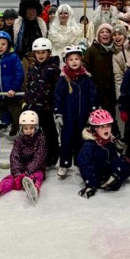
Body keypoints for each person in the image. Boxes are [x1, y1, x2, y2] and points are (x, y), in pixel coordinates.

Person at [0, 110, 46, 204]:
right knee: (11, 179)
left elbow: (39, 157)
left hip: (36, 169)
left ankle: (34, 189)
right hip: (21, 168)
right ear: (21, 129)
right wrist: (16, 172)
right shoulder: (18, 140)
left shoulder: (41, 139)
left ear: (36, 128)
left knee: (37, 176)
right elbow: (14, 156)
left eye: (31, 128)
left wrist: (28, 171)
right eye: (26, 128)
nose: (28, 131)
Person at [54, 45, 96, 178]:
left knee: (81, 139)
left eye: (77, 59)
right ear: (66, 61)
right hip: (68, 116)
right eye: (71, 59)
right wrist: (58, 113)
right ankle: (64, 164)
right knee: (66, 140)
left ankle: (80, 163)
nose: (74, 61)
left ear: (81, 60)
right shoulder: (63, 79)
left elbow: (92, 95)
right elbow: (58, 97)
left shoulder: (86, 79)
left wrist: (93, 110)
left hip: (83, 116)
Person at [75, 109, 130, 198]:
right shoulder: (89, 146)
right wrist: (90, 185)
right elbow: (85, 165)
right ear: (94, 129)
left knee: (126, 167)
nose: (106, 129)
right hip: (97, 174)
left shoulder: (108, 142)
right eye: (102, 127)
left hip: (106, 169)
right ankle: (114, 177)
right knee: (115, 184)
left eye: (108, 126)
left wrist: (116, 171)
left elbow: (113, 158)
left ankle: (118, 173)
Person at [23, 38, 61, 169]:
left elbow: (58, 89)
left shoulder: (54, 68)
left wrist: (56, 106)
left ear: (49, 53)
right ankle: (33, 156)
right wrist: (27, 102)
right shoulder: (32, 67)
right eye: (38, 52)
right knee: (33, 133)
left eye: (43, 52)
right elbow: (28, 85)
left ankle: (52, 157)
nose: (40, 55)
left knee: (50, 133)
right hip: (33, 106)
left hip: (47, 107)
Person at [84, 23, 118, 123]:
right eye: (102, 32)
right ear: (98, 35)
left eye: (108, 32)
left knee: (110, 119)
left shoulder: (116, 50)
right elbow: (84, 67)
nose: (105, 34)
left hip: (111, 93)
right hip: (96, 91)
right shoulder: (92, 50)